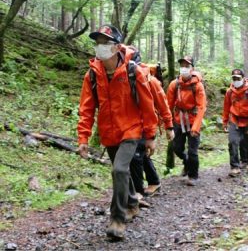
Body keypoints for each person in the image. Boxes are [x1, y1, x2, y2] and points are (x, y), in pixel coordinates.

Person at [77, 24, 158, 239]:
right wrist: (83, 137)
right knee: (121, 171)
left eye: (105, 42)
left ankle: (117, 220)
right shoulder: (92, 75)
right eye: (97, 42)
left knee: (119, 171)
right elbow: (86, 108)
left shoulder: (134, 72)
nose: (99, 47)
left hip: (131, 130)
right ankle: (132, 202)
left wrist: (150, 136)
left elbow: (147, 105)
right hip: (109, 132)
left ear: (116, 47)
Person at [130, 61, 174, 196]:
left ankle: (137, 192)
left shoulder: (151, 81)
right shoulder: (124, 78)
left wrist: (169, 126)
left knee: (137, 154)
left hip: (146, 123)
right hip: (130, 123)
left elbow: (163, 104)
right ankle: (154, 182)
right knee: (141, 153)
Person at [167, 56, 206, 186]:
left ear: (192, 68)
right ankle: (187, 162)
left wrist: (196, 127)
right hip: (179, 119)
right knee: (177, 147)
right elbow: (168, 104)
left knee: (192, 150)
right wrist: (168, 123)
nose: (184, 68)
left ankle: (193, 176)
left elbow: (201, 107)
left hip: (193, 119)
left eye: (187, 66)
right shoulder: (175, 84)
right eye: (182, 65)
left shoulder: (198, 86)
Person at [223, 69, 248, 177]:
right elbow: (226, 107)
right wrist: (225, 122)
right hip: (234, 120)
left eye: (238, 78)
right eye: (233, 78)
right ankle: (234, 167)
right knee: (232, 142)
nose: (236, 80)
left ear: (243, 79)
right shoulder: (229, 92)